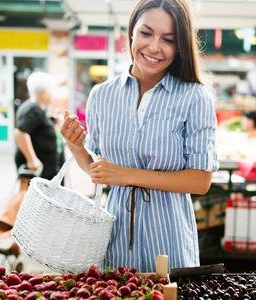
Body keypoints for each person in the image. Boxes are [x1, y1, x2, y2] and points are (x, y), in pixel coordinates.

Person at [60, 0, 219, 273]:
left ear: (179, 46)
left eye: (167, 39)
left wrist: (125, 175)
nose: (154, 47)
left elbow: (200, 180)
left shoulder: (194, 97)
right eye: (146, 33)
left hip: (169, 238)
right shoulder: (102, 95)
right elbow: (100, 171)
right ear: (131, 32)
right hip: (115, 233)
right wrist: (77, 149)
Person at [0, 71, 60, 255]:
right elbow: (20, 132)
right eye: (52, 91)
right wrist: (32, 159)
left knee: (33, 210)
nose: (53, 95)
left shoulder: (34, 108)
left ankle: (30, 243)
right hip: (35, 173)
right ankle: (10, 240)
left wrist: (49, 122)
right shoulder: (33, 109)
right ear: (44, 92)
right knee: (26, 209)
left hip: (40, 173)